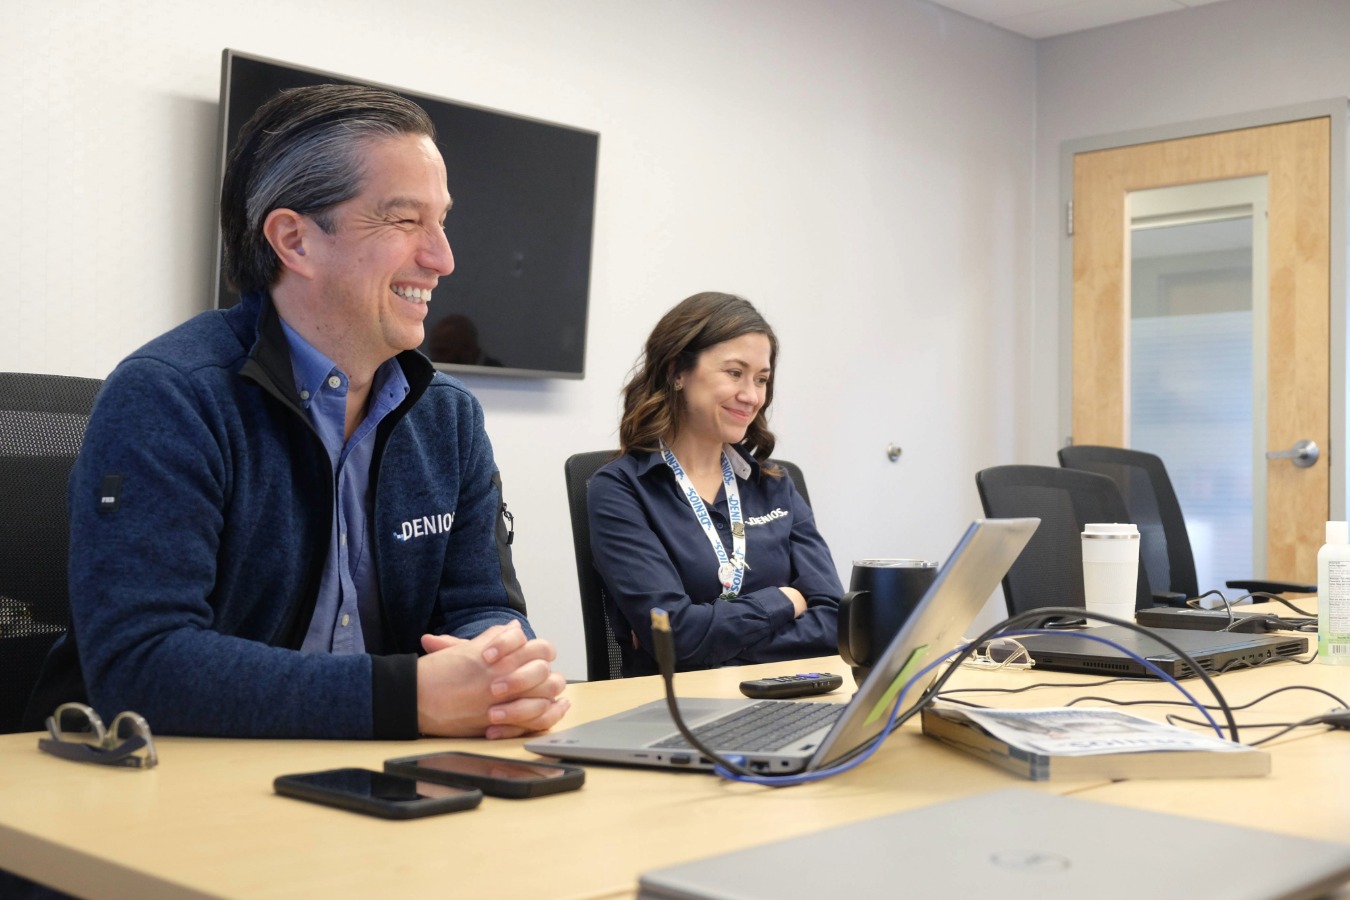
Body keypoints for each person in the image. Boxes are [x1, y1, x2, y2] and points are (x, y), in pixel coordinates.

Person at [22, 84, 568, 740]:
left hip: (373, 771)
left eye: (441, 221)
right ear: (294, 240)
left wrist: (502, 674)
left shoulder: (448, 418)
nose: (442, 259)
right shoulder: (169, 398)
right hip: (162, 777)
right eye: (404, 221)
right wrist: (404, 697)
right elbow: (141, 665)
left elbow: (481, 607)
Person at [587, 292, 841, 675]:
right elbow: (675, 638)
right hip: (682, 704)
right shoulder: (621, 489)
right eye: (735, 373)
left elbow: (835, 622)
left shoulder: (775, 484)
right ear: (677, 371)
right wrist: (786, 600)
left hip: (788, 694)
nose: (751, 396)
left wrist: (709, 644)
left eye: (761, 379)